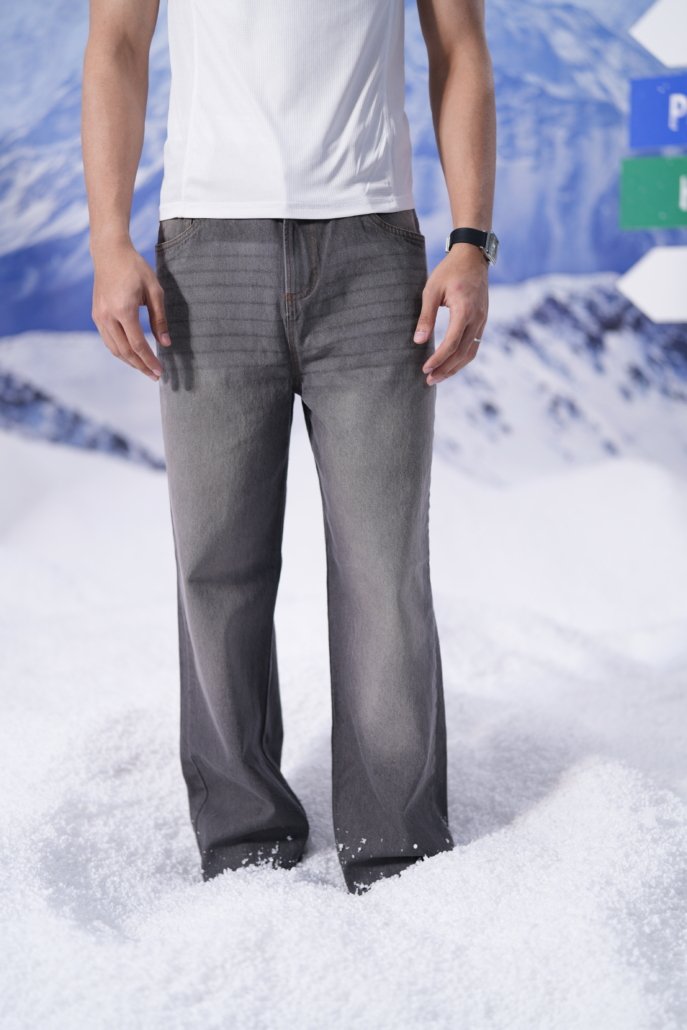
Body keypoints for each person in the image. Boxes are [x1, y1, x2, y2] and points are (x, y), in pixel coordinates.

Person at [81, 0, 497, 895]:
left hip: (372, 248)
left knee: (383, 565)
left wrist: (471, 240)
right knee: (216, 562)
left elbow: (458, 44)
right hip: (205, 250)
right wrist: (108, 237)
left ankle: (396, 853)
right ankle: (243, 843)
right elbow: (115, 41)